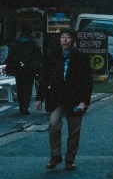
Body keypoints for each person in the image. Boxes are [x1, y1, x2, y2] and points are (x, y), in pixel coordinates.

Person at [36, 28, 93, 171]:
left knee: (74, 131)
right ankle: (55, 155)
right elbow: (44, 78)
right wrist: (39, 98)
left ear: (73, 40)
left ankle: (70, 158)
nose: (65, 40)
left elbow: (87, 81)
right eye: (62, 37)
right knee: (54, 124)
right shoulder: (52, 56)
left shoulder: (81, 57)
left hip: (75, 98)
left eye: (68, 37)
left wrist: (84, 101)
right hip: (57, 97)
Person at [6, 24, 43, 115]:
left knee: (20, 88)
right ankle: (25, 107)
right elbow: (38, 58)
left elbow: (10, 57)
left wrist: (9, 69)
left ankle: (21, 105)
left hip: (18, 69)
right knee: (28, 88)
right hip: (29, 69)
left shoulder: (14, 43)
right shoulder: (33, 44)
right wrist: (39, 70)